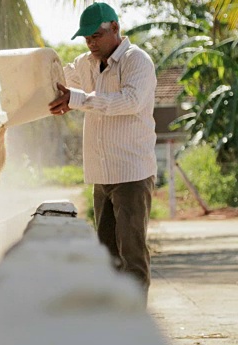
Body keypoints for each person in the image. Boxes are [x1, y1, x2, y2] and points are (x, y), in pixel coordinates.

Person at [48, 2, 157, 304]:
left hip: (132, 173)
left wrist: (78, 99)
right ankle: (112, 323)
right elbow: (57, 79)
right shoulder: (85, 63)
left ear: (116, 29)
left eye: (97, 35)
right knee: (106, 255)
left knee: (132, 253)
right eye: (87, 38)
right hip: (101, 174)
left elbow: (129, 101)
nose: (92, 43)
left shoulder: (138, 61)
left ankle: (134, 327)